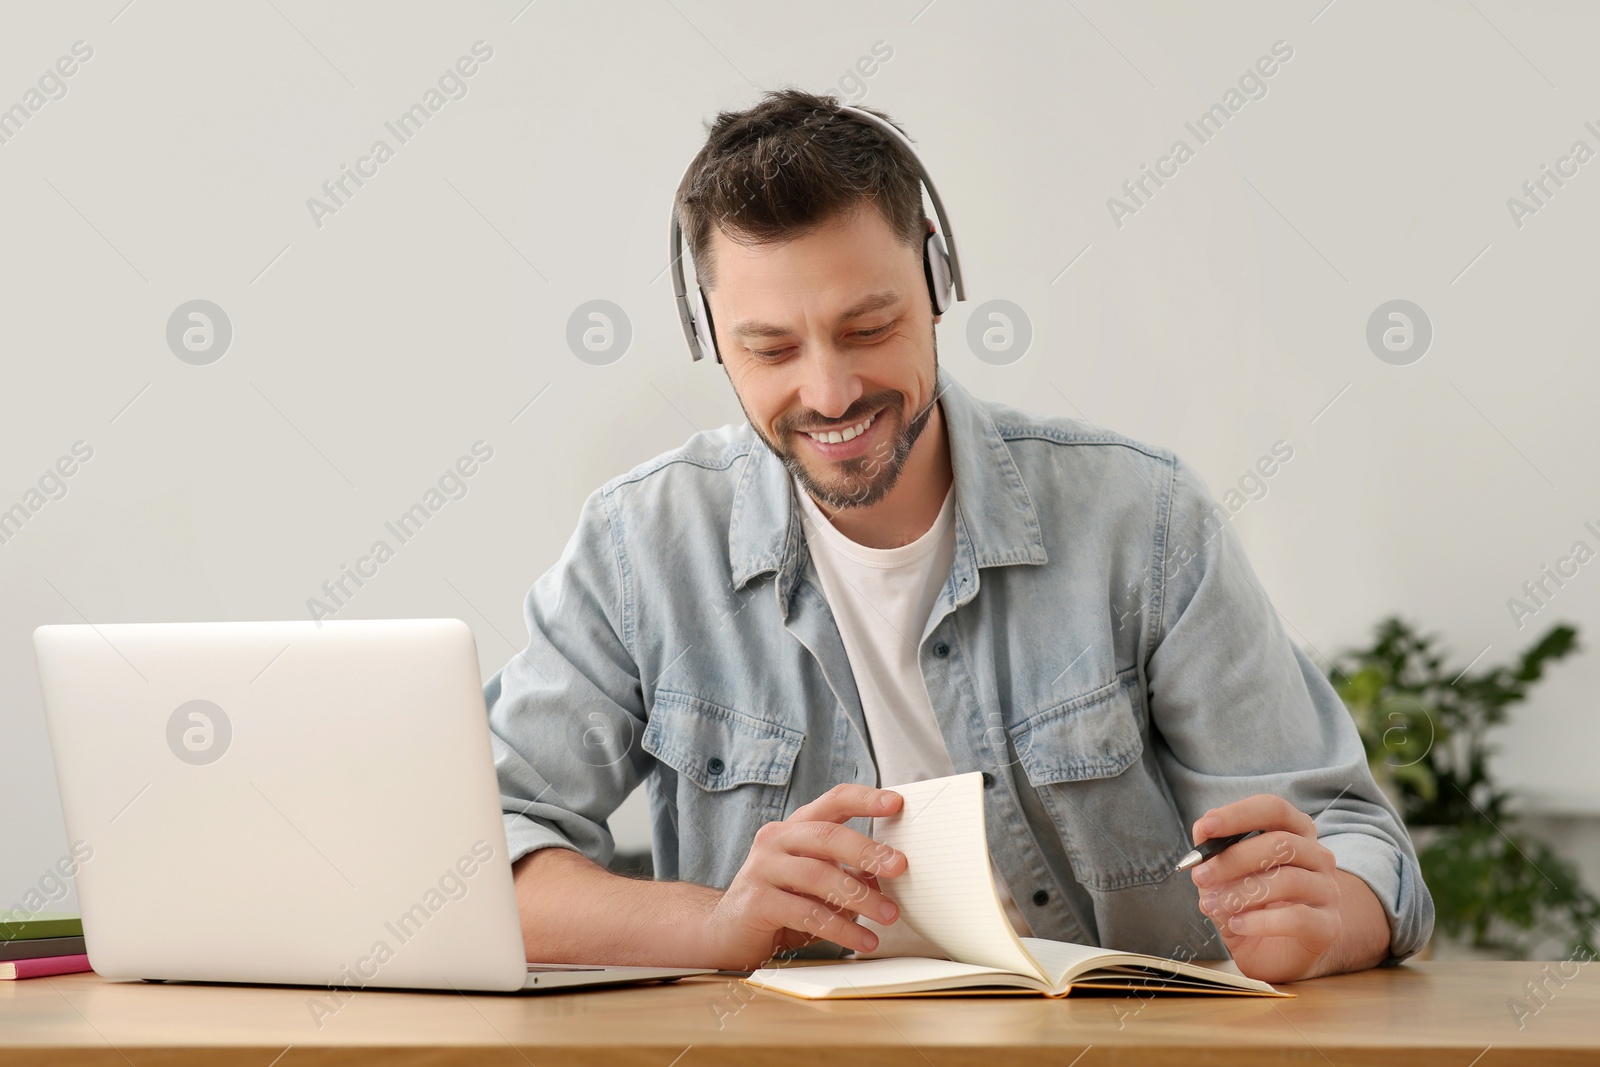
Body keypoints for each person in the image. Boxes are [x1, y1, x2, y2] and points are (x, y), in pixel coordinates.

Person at [484, 88, 1434, 984]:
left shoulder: (1141, 521)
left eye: (869, 326)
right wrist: (713, 924)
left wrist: (1330, 915)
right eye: (771, 349)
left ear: (937, 280)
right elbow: (480, 861)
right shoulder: (638, 548)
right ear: (710, 337)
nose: (828, 392)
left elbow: (1354, 839)